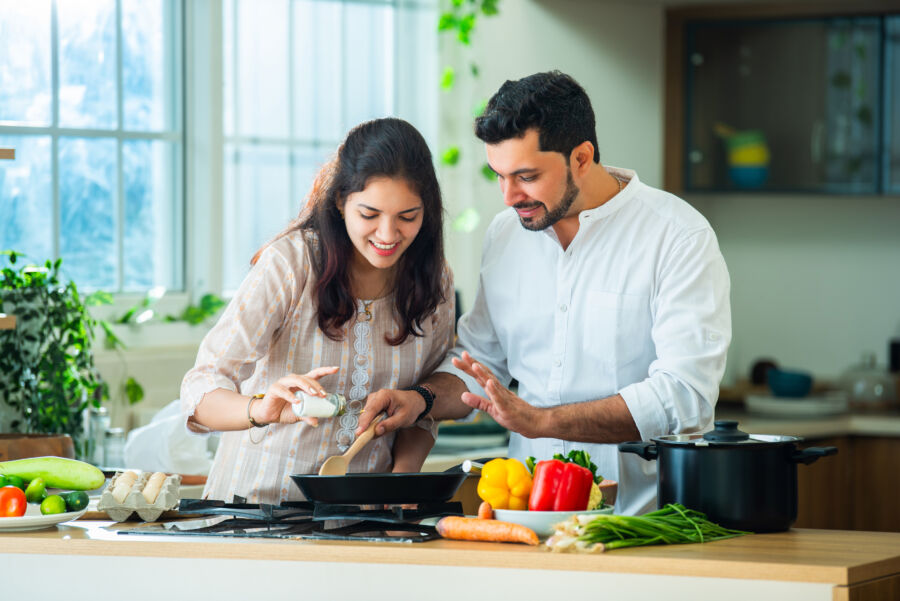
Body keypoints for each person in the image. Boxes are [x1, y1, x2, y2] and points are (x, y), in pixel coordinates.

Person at [357, 72, 731, 516]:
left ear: (582, 157)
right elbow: (481, 363)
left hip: (647, 520)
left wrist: (542, 421)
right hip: (528, 517)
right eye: (499, 176)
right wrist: (421, 400)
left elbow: (684, 395)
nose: (509, 196)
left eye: (526, 176)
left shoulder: (677, 235)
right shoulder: (505, 235)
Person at [180, 118, 455, 504]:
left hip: (365, 519)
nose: (389, 235)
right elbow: (201, 388)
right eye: (370, 215)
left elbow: (422, 408)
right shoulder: (292, 263)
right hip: (254, 511)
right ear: (341, 200)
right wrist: (262, 409)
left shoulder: (433, 282)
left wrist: (400, 483)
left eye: (407, 217)